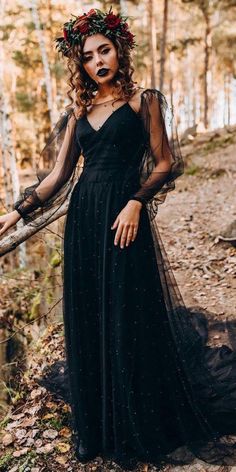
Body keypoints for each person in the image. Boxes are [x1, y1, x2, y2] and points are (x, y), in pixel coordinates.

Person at [1, 7, 236, 471]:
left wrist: (135, 201)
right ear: (81, 64)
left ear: (120, 51)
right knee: (92, 318)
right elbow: (57, 177)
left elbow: (165, 161)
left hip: (124, 221)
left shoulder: (144, 101)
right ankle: (102, 426)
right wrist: (13, 212)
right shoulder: (79, 112)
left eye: (104, 50)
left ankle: (139, 422)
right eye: (88, 56)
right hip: (86, 223)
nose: (98, 61)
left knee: (130, 315)